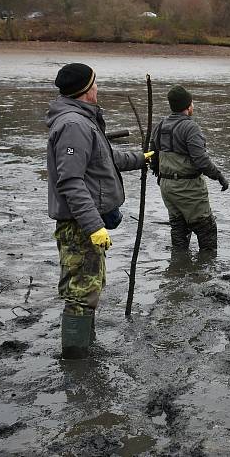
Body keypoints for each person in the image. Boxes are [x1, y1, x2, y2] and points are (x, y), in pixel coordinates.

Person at [46, 63, 152, 359]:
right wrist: (94, 227)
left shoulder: (83, 121)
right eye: (94, 84)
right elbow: (71, 181)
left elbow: (104, 159)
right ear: (84, 90)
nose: (97, 89)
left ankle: (84, 350)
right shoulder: (74, 125)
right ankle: (76, 362)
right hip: (79, 224)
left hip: (84, 222)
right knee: (81, 291)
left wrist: (140, 159)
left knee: (89, 286)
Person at [149, 86, 229, 253]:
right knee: (206, 229)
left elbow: (153, 155)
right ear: (187, 106)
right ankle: (207, 271)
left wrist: (159, 174)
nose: (193, 105)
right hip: (188, 188)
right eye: (192, 102)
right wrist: (219, 176)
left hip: (167, 187)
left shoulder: (160, 125)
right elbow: (201, 160)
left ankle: (177, 267)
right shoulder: (190, 128)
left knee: (179, 229)